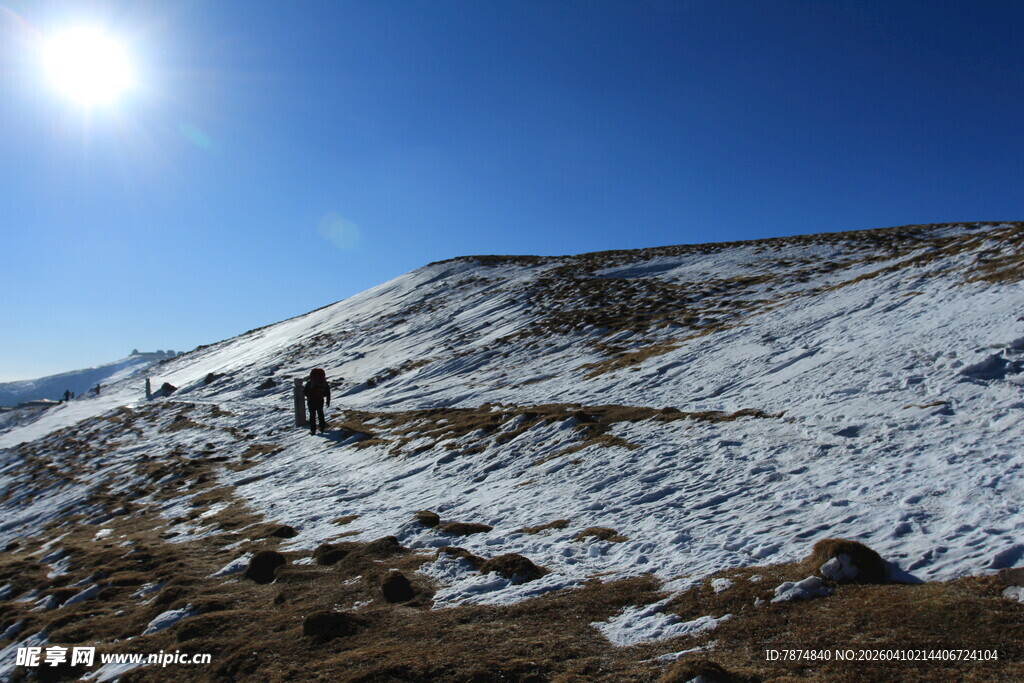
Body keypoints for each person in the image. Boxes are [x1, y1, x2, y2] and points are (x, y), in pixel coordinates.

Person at [303, 368, 331, 435]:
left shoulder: (310, 382)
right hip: (320, 399)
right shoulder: (323, 382)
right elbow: (328, 392)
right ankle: (322, 427)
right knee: (320, 413)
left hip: (311, 400)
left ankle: (313, 430)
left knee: (312, 415)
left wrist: (309, 396)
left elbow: (304, 391)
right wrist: (328, 401)